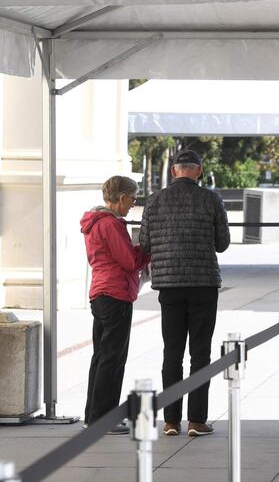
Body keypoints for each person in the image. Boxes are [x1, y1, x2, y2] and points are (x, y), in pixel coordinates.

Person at [139, 149, 230, 437]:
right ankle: (196, 421)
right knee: (200, 353)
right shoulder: (211, 199)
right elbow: (222, 243)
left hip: (169, 284)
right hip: (203, 283)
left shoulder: (154, 201)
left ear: (173, 171)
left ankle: (170, 421)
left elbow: (143, 243)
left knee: (172, 353)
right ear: (199, 171)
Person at [81, 176, 149, 434]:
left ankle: (93, 415)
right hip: (116, 294)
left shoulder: (94, 222)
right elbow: (129, 260)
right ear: (121, 198)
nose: (133, 204)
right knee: (113, 358)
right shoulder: (110, 224)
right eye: (132, 199)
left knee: (101, 356)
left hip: (100, 293)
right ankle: (103, 419)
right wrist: (147, 250)